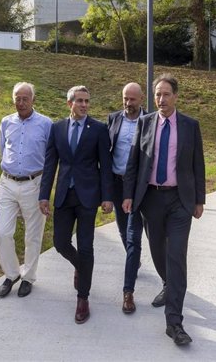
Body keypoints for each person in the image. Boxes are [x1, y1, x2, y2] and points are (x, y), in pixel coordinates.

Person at [123, 73, 205, 346]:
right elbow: (134, 161)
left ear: (176, 96)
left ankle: (174, 323)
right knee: (158, 251)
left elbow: (198, 165)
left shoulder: (190, 126)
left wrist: (198, 200)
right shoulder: (145, 123)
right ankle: (168, 285)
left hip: (180, 201)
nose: (161, 99)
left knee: (176, 257)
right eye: (157, 94)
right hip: (151, 200)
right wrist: (128, 195)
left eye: (166, 94)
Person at [39, 85, 113, 324]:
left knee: (86, 246)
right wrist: (43, 195)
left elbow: (105, 165)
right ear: (69, 103)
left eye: (87, 101)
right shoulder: (57, 128)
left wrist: (107, 196)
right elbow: (51, 163)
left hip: (88, 196)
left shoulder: (99, 129)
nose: (84, 105)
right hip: (63, 195)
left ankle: (83, 298)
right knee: (60, 243)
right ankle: (81, 268)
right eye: (79, 101)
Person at [0, 82, 53, 298]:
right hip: (7, 183)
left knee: (33, 235)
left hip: (34, 183)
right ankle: (12, 274)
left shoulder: (46, 124)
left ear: (33, 100)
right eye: (17, 98)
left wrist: (46, 190)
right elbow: (3, 149)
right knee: (2, 232)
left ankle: (28, 277)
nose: (20, 103)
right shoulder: (6, 122)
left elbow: (51, 157)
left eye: (25, 99)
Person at [107, 82, 146, 314]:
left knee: (134, 237)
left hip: (138, 189)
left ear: (141, 99)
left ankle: (128, 292)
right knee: (123, 231)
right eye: (125, 98)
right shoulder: (113, 119)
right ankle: (135, 261)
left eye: (132, 99)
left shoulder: (150, 121)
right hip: (116, 184)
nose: (128, 103)